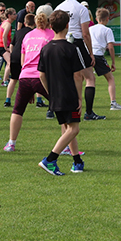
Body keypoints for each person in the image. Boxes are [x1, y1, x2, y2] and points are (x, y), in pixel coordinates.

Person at [37, 10, 86, 175]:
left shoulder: (45, 49)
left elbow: (41, 75)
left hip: (55, 95)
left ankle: (77, 162)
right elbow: (78, 75)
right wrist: (79, 98)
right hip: (69, 94)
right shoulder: (71, 48)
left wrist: (50, 92)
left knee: (67, 127)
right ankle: (50, 159)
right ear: (67, 25)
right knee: (74, 129)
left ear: (51, 26)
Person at [4, 11, 54, 152]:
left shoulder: (28, 36)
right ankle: (67, 146)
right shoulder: (51, 35)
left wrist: (31, 90)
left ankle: (11, 143)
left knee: (17, 110)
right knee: (62, 108)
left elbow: (23, 61)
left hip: (25, 77)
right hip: (41, 77)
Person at [55, 0, 103, 121]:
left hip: (61, 43)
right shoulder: (81, 9)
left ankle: (54, 109)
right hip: (76, 43)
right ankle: (88, 112)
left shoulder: (58, 7)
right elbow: (85, 33)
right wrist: (91, 53)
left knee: (65, 78)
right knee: (89, 78)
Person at [88, 7, 121, 111]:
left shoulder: (90, 29)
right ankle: (113, 103)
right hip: (98, 55)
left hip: (89, 55)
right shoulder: (107, 30)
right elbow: (111, 47)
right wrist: (113, 62)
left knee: (87, 80)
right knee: (110, 78)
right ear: (107, 19)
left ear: (96, 18)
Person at [5, 11, 34, 109]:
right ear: (34, 23)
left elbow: (11, 45)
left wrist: (12, 54)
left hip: (14, 56)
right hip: (25, 57)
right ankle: (38, 100)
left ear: (24, 23)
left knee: (13, 79)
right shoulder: (33, 33)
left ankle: (7, 100)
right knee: (35, 78)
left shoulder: (18, 32)